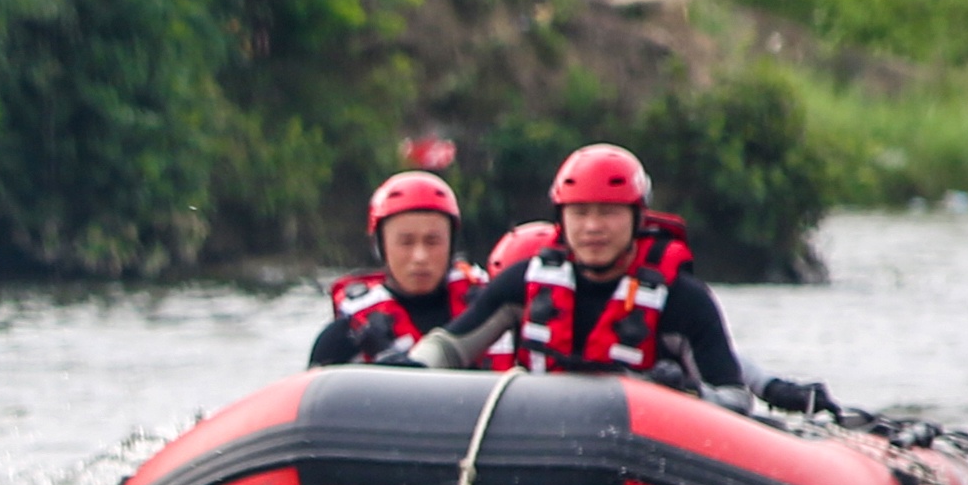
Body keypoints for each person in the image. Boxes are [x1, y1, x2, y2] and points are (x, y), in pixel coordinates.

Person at [418, 143, 750, 389]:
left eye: (608, 212)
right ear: (561, 219)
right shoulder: (521, 283)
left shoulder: (684, 301)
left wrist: (686, 394)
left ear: (637, 218)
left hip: (639, 452)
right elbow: (450, 348)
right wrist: (409, 367)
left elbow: (733, 398)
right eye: (579, 213)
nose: (592, 227)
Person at [307, 171, 487, 365]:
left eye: (433, 242)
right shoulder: (345, 337)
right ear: (380, 246)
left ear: (452, 244)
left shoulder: (494, 307)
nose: (420, 257)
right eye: (406, 243)